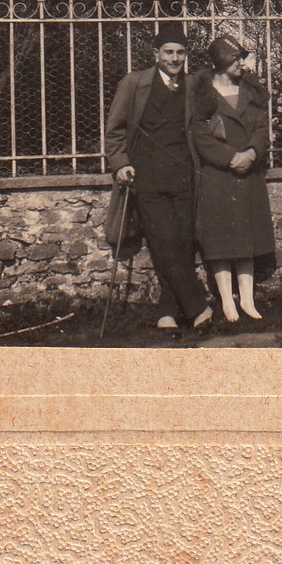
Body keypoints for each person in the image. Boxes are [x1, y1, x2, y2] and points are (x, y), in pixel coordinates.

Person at [102, 22, 213, 337]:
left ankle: (167, 313)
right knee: (163, 241)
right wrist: (120, 163)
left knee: (181, 242)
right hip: (146, 176)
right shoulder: (135, 84)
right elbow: (115, 130)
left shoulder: (192, 86)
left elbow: (206, 120)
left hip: (183, 175)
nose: (174, 59)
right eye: (168, 53)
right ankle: (197, 307)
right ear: (156, 54)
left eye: (180, 53)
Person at [188, 33, 276, 323]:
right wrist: (229, 158)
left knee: (247, 239)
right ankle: (227, 302)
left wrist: (251, 153)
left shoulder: (251, 91)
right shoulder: (203, 94)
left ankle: (248, 301)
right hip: (218, 177)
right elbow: (200, 136)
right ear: (221, 62)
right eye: (237, 59)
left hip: (248, 175)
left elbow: (262, 130)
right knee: (221, 241)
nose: (242, 64)